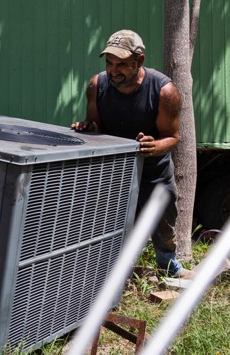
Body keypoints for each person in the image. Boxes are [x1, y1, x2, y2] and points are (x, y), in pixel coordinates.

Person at [71, 30, 191, 278]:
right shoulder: (97, 86)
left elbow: (174, 137)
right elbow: (96, 127)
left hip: (153, 172)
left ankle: (168, 265)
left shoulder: (164, 91)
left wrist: (153, 146)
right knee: (106, 223)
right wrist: (87, 128)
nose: (114, 71)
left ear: (140, 61)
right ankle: (104, 271)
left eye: (122, 64)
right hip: (113, 172)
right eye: (109, 63)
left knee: (163, 221)